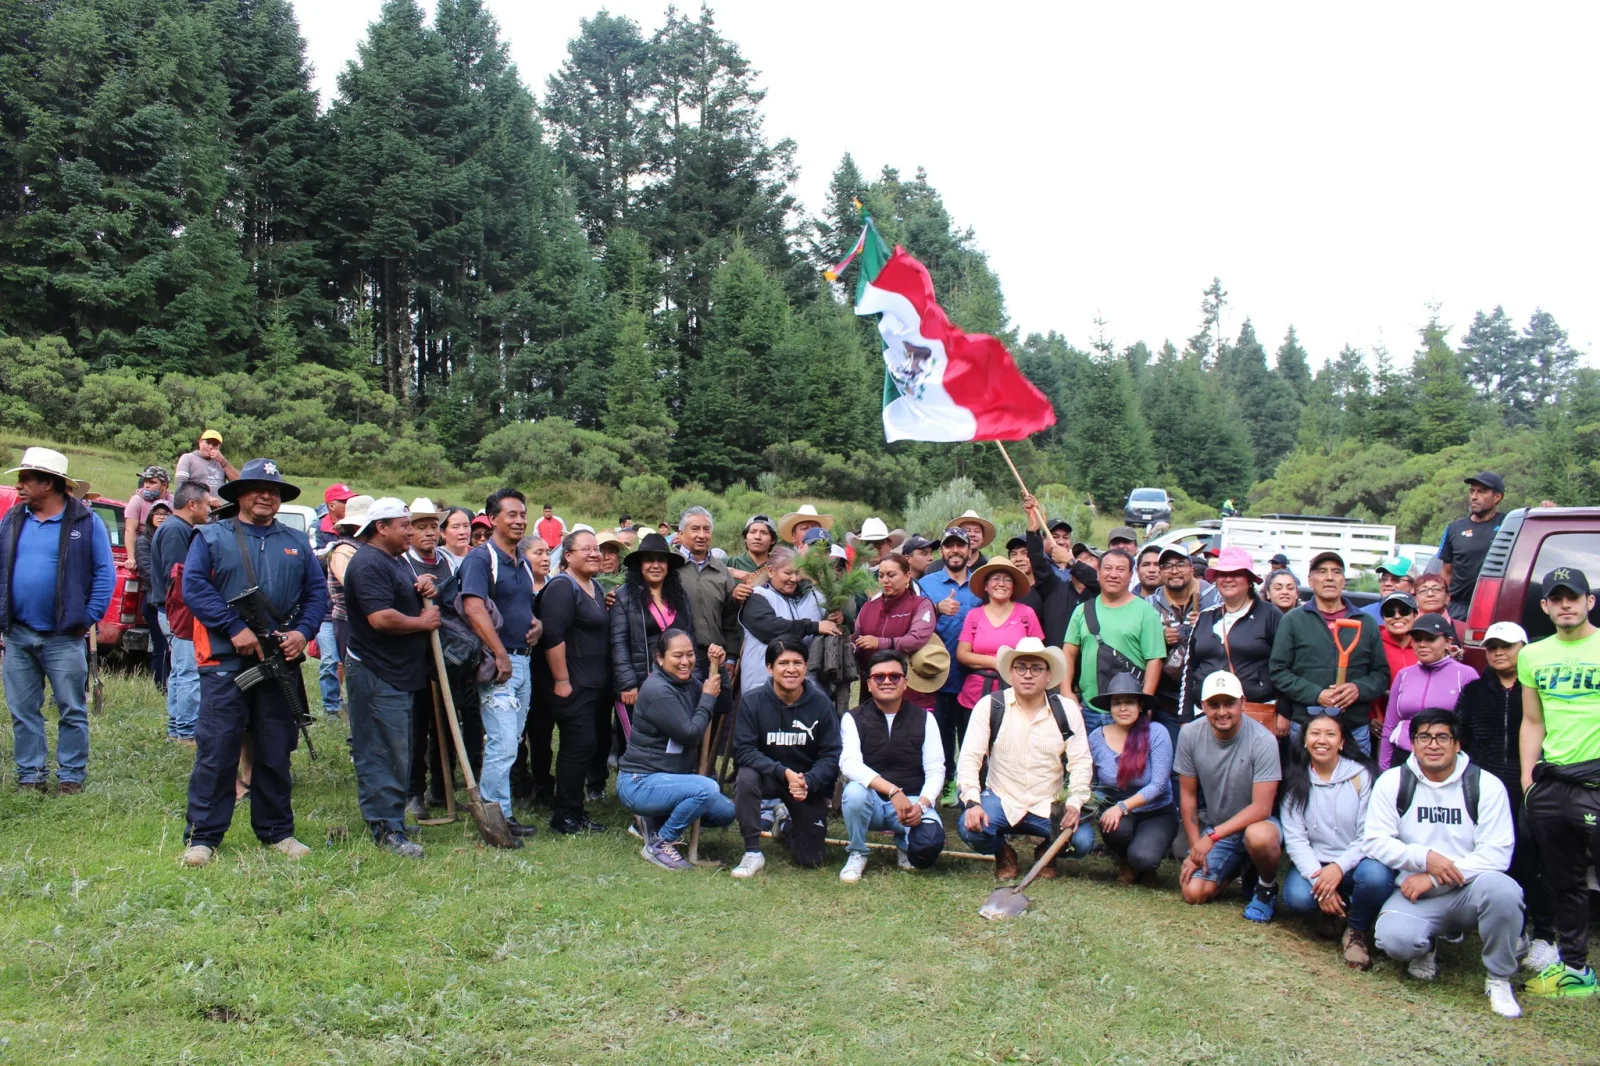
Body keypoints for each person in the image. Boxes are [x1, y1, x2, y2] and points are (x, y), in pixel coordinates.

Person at [178, 458, 327, 866]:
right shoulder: (211, 537)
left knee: (275, 749)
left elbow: (317, 596)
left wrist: (303, 632)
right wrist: (232, 628)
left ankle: (277, 832)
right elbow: (194, 587)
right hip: (226, 662)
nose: (266, 495)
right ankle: (203, 838)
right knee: (218, 748)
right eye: (257, 488)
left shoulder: (296, 541)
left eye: (273, 490)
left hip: (279, 661)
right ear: (239, 494)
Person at [1365, 710, 1524, 1018]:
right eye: (1424, 737)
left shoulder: (1485, 785)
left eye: (1442, 737)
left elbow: (1498, 853)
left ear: (1457, 744)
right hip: (1415, 892)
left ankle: (1499, 978)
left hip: (1470, 890)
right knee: (1394, 939)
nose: (1433, 744)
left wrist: (1437, 876)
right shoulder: (1393, 781)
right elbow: (1375, 840)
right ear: (1412, 743)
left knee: (1504, 891)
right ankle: (1426, 947)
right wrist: (1424, 858)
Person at [0, 447, 115, 795]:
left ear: (48, 484)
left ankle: (71, 777)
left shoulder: (85, 522)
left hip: (64, 636)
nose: (19, 487)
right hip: (18, 634)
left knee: (71, 708)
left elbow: (104, 575)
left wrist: (87, 618)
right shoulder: (13, 518)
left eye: (26, 480)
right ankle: (30, 776)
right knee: (23, 710)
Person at [1455, 621, 1559, 975]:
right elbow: (1462, 737)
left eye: (1507, 646)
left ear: (1523, 648)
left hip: (1531, 785)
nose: (1498, 652)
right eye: (1492, 646)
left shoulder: (1538, 687)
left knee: (1533, 859)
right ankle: (1513, 930)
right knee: (1491, 857)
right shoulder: (1474, 691)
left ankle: (1545, 934)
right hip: (1486, 787)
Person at [1517, 568, 1600, 999]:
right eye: (1557, 598)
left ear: (1589, 601)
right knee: (1565, 879)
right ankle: (1575, 968)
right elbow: (1533, 720)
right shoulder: (1532, 655)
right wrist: (1529, 778)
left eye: (1574, 597)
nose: (1566, 604)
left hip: (1596, 778)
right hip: (1552, 783)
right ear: (1546, 606)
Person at [341, 498, 440, 858]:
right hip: (375, 671)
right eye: (404, 526)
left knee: (398, 748)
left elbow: (400, 593)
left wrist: (421, 586)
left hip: (398, 672)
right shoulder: (368, 563)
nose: (411, 532)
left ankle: (392, 817)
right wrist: (421, 622)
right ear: (381, 527)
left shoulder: (395, 560)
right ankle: (385, 829)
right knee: (380, 749)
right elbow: (380, 617)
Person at [956, 638, 1092, 880]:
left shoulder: (1066, 709)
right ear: (1010, 673)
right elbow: (969, 758)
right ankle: (1003, 853)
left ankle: (1045, 853)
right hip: (1002, 798)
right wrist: (972, 802)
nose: (1028, 675)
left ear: (1048, 675)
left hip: (1048, 801)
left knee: (1082, 841)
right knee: (970, 829)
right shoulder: (991, 706)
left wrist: (1075, 802)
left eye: (1036, 668)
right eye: (1021, 668)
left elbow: (1080, 761)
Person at [1278, 711, 1391, 970]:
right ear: (1304, 740)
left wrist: (1338, 868)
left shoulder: (1362, 776)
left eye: (1330, 734)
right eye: (1315, 734)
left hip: (1356, 862)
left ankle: (1356, 930)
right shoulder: (1296, 778)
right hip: (1316, 863)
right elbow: (1295, 839)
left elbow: (1369, 835)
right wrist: (1320, 880)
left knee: (1376, 878)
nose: (1322, 740)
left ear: (1341, 742)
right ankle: (1332, 910)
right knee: (1297, 897)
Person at [458, 488, 540, 842]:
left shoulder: (521, 561)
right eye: (511, 514)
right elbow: (474, 608)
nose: (520, 520)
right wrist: (500, 654)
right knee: (503, 742)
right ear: (492, 519)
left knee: (512, 740)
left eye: (523, 514)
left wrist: (536, 624)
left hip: (523, 661)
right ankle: (492, 822)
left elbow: (519, 606)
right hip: (499, 665)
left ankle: (503, 814)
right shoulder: (481, 558)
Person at [617, 631, 734, 870]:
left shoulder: (687, 682)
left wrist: (719, 670)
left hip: (672, 779)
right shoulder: (657, 690)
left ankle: (653, 819)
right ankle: (661, 843)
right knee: (707, 789)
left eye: (690, 655)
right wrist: (707, 697)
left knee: (725, 811)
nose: (685, 661)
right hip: (640, 782)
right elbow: (690, 734)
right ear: (660, 658)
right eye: (677, 655)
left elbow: (723, 705)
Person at [1175, 671, 1284, 920]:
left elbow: (1262, 807)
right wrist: (1196, 848)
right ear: (1203, 706)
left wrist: (1210, 838)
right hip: (1219, 827)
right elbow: (1188, 796)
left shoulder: (1264, 740)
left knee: (1259, 836)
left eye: (1229, 703)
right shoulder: (1189, 735)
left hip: (1258, 824)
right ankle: (1240, 867)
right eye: (1214, 705)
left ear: (1243, 703)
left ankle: (1266, 887)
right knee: (1193, 893)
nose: (1222, 711)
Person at [730, 639, 842, 878]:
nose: (791, 669)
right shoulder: (753, 700)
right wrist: (784, 773)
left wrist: (809, 781)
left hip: (804, 784)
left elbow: (832, 754)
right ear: (770, 668)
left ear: (806, 666)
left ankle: (785, 824)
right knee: (746, 776)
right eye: (783, 663)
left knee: (812, 859)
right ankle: (752, 852)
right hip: (769, 776)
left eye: (797, 663)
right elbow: (743, 751)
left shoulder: (821, 703)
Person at [838, 649, 947, 881]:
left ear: (905, 683)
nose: (887, 681)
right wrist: (892, 791)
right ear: (869, 684)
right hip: (873, 803)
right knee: (854, 792)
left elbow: (936, 770)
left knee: (928, 847)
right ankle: (857, 852)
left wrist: (923, 805)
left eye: (894, 677)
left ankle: (905, 844)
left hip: (913, 802)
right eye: (879, 677)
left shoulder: (925, 719)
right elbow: (849, 764)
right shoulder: (853, 718)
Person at [1268, 550, 1388, 753]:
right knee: (1305, 782)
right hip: (1308, 725)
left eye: (1336, 572)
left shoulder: (1366, 623)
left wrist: (1358, 689)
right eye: (1322, 572)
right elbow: (1279, 672)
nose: (1329, 577)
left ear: (1344, 581)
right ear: (1310, 580)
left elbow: (1381, 675)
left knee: (1356, 782)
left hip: (1353, 728)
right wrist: (1316, 694)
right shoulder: (1293, 620)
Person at [538, 528, 612, 832]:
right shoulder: (561, 587)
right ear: (567, 556)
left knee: (588, 746)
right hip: (572, 684)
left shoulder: (594, 586)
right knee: (578, 746)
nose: (595, 553)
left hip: (595, 686)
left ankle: (575, 810)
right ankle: (565, 817)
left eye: (597, 549)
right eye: (586, 549)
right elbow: (553, 636)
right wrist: (561, 679)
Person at [1069, 673, 1176, 883]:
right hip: (1117, 813)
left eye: (1129, 702)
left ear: (1140, 705)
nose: (1123, 708)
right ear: (1110, 707)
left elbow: (1159, 785)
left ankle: (1141, 861)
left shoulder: (1156, 733)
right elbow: (1095, 783)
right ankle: (1124, 858)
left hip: (1156, 812)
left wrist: (1122, 807)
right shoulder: (1097, 738)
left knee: (1144, 858)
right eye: (1117, 703)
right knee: (1113, 828)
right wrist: (1080, 804)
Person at [396, 498, 460, 818]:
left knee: (447, 726)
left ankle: (441, 789)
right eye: (421, 527)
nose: (429, 533)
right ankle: (413, 793)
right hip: (414, 654)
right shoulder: (403, 562)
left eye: (434, 526)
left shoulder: (448, 561)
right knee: (416, 727)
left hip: (446, 654)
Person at [1182, 547, 1283, 746]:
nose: (1228, 579)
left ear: (1250, 579)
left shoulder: (1270, 615)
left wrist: (1285, 712)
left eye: (1236, 574)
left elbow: (1284, 667)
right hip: (1205, 715)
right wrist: (1185, 717)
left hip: (1254, 714)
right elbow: (1189, 671)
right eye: (1222, 574)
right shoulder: (1205, 617)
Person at [1063, 549, 1166, 735]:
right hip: (1088, 707)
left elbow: (1155, 660)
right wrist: (1066, 691)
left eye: (1120, 569)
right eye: (1108, 568)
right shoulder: (1082, 610)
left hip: (1128, 708)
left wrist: (1144, 704)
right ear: (1098, 573)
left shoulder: (1146, 612)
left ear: (1130, 575)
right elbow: (1069, 653)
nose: (1113, 574)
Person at [920, 528, 984, 804]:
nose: (955, 551)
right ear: (942, 551)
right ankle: (945, 785)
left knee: (973, 735)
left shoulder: (981, 585)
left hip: (973, 675)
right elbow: (915, 617)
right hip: (937, 674)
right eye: (949, 546)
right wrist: (935, 609)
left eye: (961, 546)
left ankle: (972, 788)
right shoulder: (927, 583)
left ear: (970, 551)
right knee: (941, 733)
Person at [150, 482, 212, 744]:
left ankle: (177, 728)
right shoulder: (176, 530)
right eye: (207, 503)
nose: (210, 508)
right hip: (179, 611)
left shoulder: (177, 528)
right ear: (192, 504)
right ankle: (186, 732)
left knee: (179, 671)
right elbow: (179, 576)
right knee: (188, 671)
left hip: (172, 611)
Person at [611, 532, 698, 710]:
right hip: (640, 686)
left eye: (661, 560)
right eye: (649, 560)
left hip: (677, 682)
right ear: (640, 565)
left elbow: (691, 638)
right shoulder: (623, 597)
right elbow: (618, 643)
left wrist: (694, 677)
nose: (656, 565)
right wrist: (628, 683)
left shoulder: (679, 596)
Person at [1379, 613, 1477, 770]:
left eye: (1430, 639)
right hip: (1404, 756)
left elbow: (1476, 728)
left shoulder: (1465, 675)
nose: (1422, 644)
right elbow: (1390, 725)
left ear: (1448, 642)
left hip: (1446, 759)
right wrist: (1383, 767)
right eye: (1417, 639)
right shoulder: (1404, 675)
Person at [737, 547, 833, 693]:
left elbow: (840, 625)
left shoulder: (815, 596)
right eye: (787, 573)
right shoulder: (757, 596)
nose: (794, 579)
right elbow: (770, 628)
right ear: (770, 571)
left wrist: (841, 617)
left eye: (797, 573)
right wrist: (813, 626)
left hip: (808, 686)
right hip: (763, 686)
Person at [1147, 547, 1221, 730]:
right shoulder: (1148, 604)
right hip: (1165, 701)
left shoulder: (1215, 598)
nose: (1174, 571)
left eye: (1180, 564)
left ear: (1191, 568)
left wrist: (1206, 626)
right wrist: (1159, 639)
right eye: (1166, 566)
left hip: (1207, 697)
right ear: (1160, 572)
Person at [851, 554, 937, 708]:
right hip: (873, 689)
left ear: (907, 576)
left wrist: (879, 643)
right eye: (881, 576)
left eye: (891, 575)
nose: (885, 580)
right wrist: (849, 645)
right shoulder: (868, 608)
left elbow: (916, 639)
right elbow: (857, 638)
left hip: (910, 689)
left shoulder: (921, 605)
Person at [957, 560, 1043, 714]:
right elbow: (962, 654)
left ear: (1013, 587)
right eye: (995, 578)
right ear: (986, 585)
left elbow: (1039, 655)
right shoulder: (974, 615)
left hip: (1017, 693)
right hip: (976, 694)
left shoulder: (1026, 614)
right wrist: (996, 662)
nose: (1001, 583)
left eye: (1007, 579)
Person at [1021, 493, 1098, 648]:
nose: (1060, 542)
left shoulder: (1096, 591)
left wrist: (1070, 562)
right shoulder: (1055, 587)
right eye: (1054, 536)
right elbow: (1037, 561)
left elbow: (1093, 578)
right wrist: (1032, 530)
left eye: (1065, 537)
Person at [677, 506, 744, 676]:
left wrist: (731, 657)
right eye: (695, 529)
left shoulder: (720, 570)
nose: (701, 535)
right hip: (677, 657)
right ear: (681, 534)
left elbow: (730, 619)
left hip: (714, 657)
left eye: (706, 529)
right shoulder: (671, 566)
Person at [1438, 472, 1506, 622]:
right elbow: (1446, 572)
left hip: (1495, 606)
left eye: (1481, 491)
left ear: (1497, 497)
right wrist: (1440, 603)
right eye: (1471, 491)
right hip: (1458, 607)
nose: (1474, 496)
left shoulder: (1508, 524)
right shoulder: (1454, 529)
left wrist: (1546, 510)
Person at [136, 501, 174, 692]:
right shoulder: (144, 541)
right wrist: (169, 588)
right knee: (160, 647)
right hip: (154, 602)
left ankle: (171, 684)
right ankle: (161, 685)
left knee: (173, 648)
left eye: (165, 514)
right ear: (150, 517)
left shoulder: (172, 538)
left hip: (173, 603)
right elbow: (146, 571)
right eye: (157, 513)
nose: (161, 516)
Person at [123, 465, 172, 565]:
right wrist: (131, 558)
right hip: (144, 548)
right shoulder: (137, 500)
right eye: (145, 481)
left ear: (164, 485)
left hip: (168, 546)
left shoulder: (173, 502)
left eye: (152, 482)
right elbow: (130, 530)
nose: (147, 485)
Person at [174, 430, 240, 495]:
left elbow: (240, 483)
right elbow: (180, 486)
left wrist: (223, 462)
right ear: (200, 442)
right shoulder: (188, 458)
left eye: (215, 444)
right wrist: (207, 499)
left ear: (219, 447)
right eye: (208, 442)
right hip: (196, 504)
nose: (210, 447)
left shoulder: (221, 463)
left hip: (221, 505)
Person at [1377, 591, 1420, 689]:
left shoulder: (1426, 643)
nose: (1397, 616)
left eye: (1404, 611)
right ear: (1383, 618)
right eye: (1389, 613)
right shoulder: (1374, 643)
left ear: (1415, 615)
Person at [728, 514, 777, 580]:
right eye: (752, 532)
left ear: (773, 540)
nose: (757, 537)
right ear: (745, 538)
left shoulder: (778, 567)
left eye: (764, 533)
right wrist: (733, 572)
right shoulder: (730, 563)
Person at [317, 483, 357, 551]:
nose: (351, 504)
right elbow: (314, 556)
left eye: (352, 501)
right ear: (332, 506)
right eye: (346, 502)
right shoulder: (317, 528)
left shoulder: (357, 524)